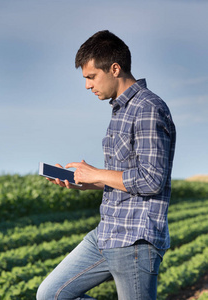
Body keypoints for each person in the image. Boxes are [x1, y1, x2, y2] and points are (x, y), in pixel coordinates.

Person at [36, 30, 176, 300]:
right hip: (106, 233)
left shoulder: (148, 108)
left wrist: (97, 172)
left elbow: (151, 179)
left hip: (135, 239)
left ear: (115, 68)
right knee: (51, 294)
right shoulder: (120, 111)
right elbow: (123, 179)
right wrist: (87, 182)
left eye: (91, 77)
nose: (87, 85)